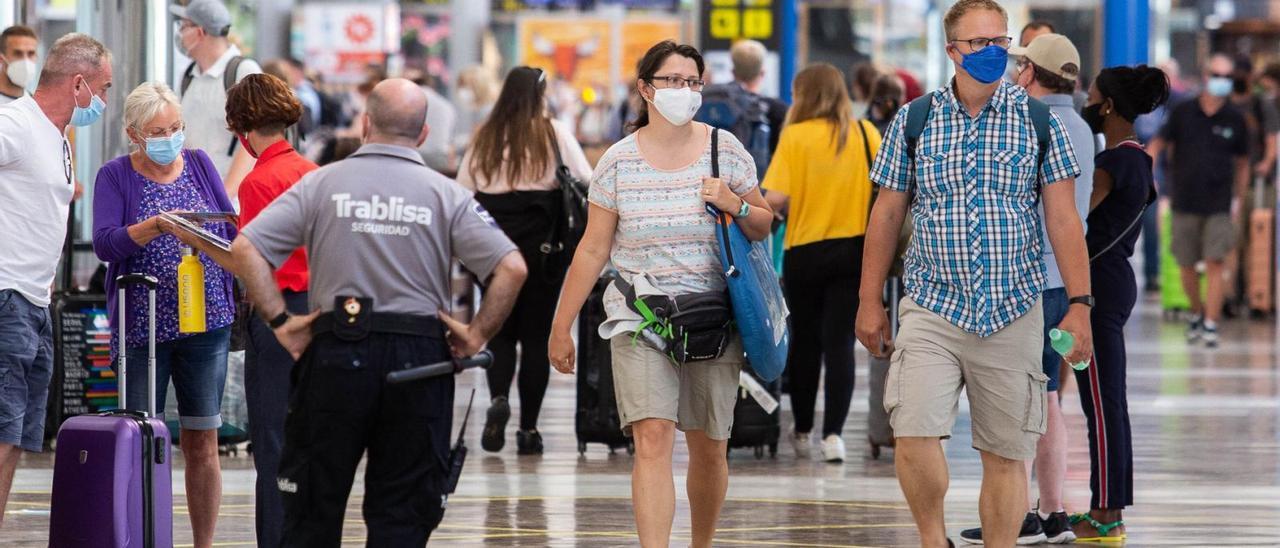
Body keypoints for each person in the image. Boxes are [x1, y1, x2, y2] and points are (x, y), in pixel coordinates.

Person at [231, 78, 527, 546]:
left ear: (366, 124)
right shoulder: (445, 194)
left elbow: (246, 248)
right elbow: (511, 267)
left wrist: (282, 323)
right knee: (402, 516)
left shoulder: (321, 184)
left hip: (336, 354)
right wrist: (476, 335)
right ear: (425, 134)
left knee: (312, 510)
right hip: (420, 361)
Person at [855, 2, 1094, 547]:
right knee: (912, 433)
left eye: (999, 42)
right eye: (978, 42)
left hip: (1013, 307)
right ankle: (932, 538)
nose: (992, 52)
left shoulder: (1039, 122)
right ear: (951, 51)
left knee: (1007, 452)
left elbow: (1062, 217)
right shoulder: (915, 120)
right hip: (931, 305)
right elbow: (887, 212)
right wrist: (870, 300)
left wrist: (1080, 303)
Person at [547, 41, 773, 548]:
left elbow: (762, 224)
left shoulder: (724, 148)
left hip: (713, 317)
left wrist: (733, 202)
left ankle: (701, 542)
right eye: (673, 81)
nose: (685, 91)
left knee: (710, 446)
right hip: (640, 318)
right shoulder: (617, 163)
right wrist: (560, 326)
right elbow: (591, 249)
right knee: (652, 439)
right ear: (646, 89)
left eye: (693, 81)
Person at [960, 32, 1095, 545]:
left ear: (1030, 74)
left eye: (1020, 67)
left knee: (1016, 402)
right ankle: (1054, 510)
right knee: (1048, 397)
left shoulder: (1031, 124)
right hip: (1064, 284)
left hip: (1024, 282)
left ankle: (1018, 515)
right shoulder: (1082, 128)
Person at [91, 81, 234, 548]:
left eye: (176, 128)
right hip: (141, 327)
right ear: (134, 134)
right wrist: (154, 226)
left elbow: (229, 226)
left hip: (205, 321)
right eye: (158, 130)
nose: (170, 138)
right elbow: (106, 244)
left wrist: (204, 233)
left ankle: (203, 543)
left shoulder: (199, 164)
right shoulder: (115, 176)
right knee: (138, 441)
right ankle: (139, 536)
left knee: (203, 438)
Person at [0, 32, 111, 528]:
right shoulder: (16, 124)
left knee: (16, 439)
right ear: (79, 82)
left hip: (35, 302)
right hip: (7, 296)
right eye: (103, 88)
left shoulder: (58, 135)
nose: (104, 101)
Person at [456, 66, 592, 455]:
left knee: (499, 332)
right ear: (540, 94)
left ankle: (499, 399)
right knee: (535, 338)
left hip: (492, 249)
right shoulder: (552, 133)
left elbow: (464, 190)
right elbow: (584, 177)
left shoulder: (484, 134)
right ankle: (529, 429)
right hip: (543, 250)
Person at [1069, 64, 1169, 543]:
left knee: (1103, 406)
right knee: (1107, 401)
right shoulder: (1138, 158)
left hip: (1100, 288)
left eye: (1091, 94)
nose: (1086, 101)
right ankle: (1106, 508)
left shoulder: (1115, 163)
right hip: (1115, 281)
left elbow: (1075, 217)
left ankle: (1106, 514)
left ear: (1107, 105)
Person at [762, 63, 879, 463]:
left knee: (806, 343)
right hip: (854, 252)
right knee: (840, 345)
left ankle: (803, 429)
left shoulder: (795, 137)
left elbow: (775, 198)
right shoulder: (866, 133)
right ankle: (834, 436)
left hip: (805, 252)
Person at [224, 73, 318, 548]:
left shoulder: (260, 180)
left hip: (277, 314)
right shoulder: (312, 171)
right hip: (317, 312)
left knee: (272, 442)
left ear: (241, 126)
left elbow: (253, 258)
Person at [1148, 54, 1249, 348]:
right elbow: (1158, 144)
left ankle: (1211, 323)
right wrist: (1148, 176)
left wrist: (1238, 199)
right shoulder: (1183, 111)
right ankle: (1196, 311)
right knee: (1186, 263)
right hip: (1184, 199)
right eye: (1216, 75)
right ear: (1206, 75)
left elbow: (1242, 162)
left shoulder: (1235, 118)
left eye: (1227, 77)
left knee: (1216, 262)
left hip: (1219, 202)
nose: (1221, 82)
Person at [172, 0, 263, 200]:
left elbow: (254, 140)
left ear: (200, 32)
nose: (180, 34)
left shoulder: (243, 72)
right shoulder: (188, 76)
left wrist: (223, 196)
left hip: (232, 205)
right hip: (195, 199)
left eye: (184, 26)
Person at [0, 25, 38, 104]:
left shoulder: (35, 104)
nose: (25, 60)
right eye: (18, 53)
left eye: (31, 53)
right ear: (1, 59)